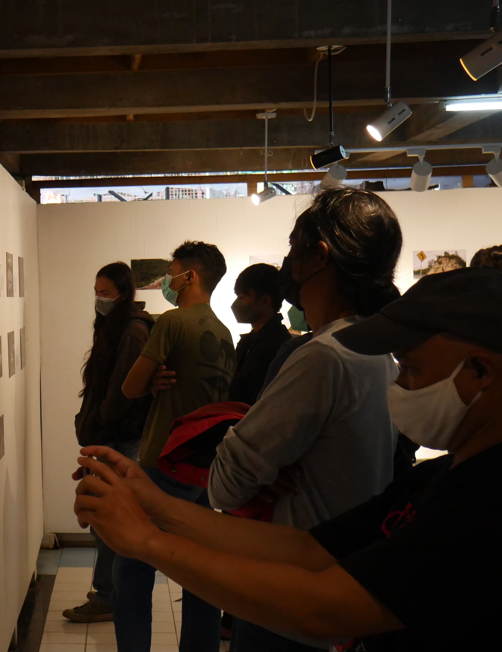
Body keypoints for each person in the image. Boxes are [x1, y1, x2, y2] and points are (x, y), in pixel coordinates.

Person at [72, 266, 502, 652]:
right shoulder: (443, 475)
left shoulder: (497, 498)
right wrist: (155, 505)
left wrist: (147, 541)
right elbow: (308, 549)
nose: (399, 382)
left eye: (413, 369)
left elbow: (321, 607)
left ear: (479, 371)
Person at [205, 188, 403, 651]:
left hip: (288, 606)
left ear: (319, 257)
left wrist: (253, 467)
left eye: (295, 246)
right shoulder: (377, 351)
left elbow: (225, 484)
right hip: (334, 591)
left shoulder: (324, 357)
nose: (288, 261)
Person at [114, 241, 235, 652]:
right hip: (204, 469)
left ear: (191, 276)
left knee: (131, 572)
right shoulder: (223, 334)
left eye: (172, 271)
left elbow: (131, 387)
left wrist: (149, 383)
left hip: (161, 464)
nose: (168, 279)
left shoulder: (172, 322)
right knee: (200, 577)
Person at [65, 263, 155, 623]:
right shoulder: (113, 326)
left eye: (105, 292)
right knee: (104, 521)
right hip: (108, 436)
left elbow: (121, 391)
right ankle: (108, 594)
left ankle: (109, 596)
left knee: (109, 520)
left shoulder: (133, 329)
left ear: (123, 291)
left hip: (118, 438)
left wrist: (100, 421)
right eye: (96, 291)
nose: (99, 299)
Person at [228, 264, 292, 405]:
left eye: (243, 297)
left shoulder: (277, 344)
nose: (236, 304)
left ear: (265, 301)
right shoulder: (248, 341)